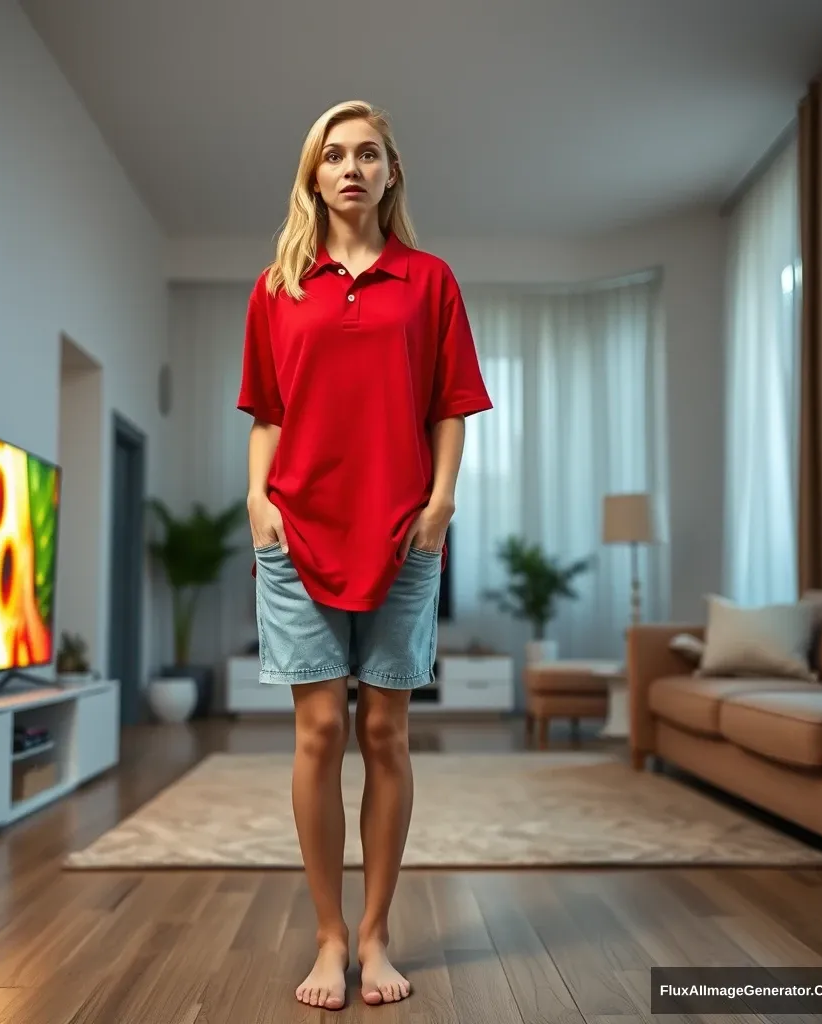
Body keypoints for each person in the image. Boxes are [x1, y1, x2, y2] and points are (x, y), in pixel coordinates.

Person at [236, 99, 492, 1010]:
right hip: (297, 530)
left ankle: (377, 935)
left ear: (391, 174)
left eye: (368, 154)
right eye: (333, 155)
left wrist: (441, 503)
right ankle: (328, 935)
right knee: (317, 732)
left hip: (403, 531)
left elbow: (450, 403)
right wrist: (259, 501)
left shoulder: (430, 281)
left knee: (386, 731)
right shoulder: (278, 287)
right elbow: (267, 412)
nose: (351, 168)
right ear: (314, 175)